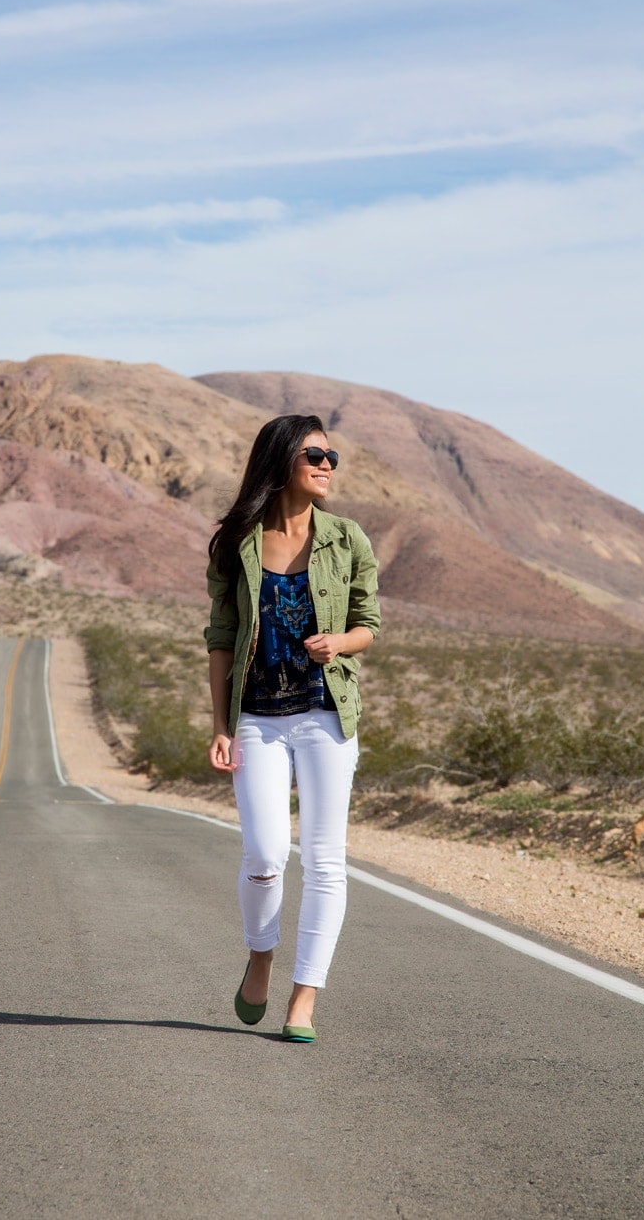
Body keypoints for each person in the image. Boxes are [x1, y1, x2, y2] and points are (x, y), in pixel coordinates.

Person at [205, 413, 380, 1042]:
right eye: (315, 454)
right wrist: (221, 724)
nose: (327, 465)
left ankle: (304, 998)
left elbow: (371, 623)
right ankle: (260, 956)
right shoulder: (237, 542)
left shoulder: (346, 539)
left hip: (327, 715)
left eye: (332, 457)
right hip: (257, 719)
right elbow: (221, 639)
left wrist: (341, 642)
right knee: (266, 852)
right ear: (282, 460)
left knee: (326, 861)